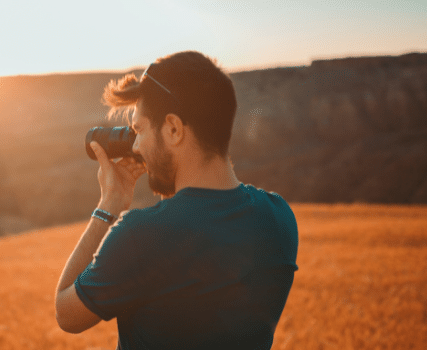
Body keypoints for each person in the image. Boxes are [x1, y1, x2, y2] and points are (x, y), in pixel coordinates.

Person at [55, 51, 299, 349]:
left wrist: (109, 206)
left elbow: (66, 314)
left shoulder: (142, 235)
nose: (135, 146)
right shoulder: (279, 218)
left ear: (173, 129)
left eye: (139, 129)